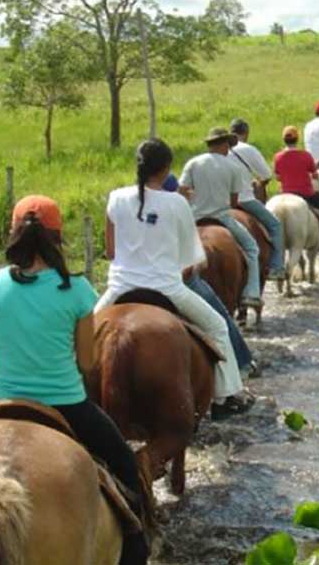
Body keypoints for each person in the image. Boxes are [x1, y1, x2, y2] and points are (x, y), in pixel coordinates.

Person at [0, 195, 149, 565]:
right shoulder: (77, 290)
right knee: (126, 468)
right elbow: (87, 362)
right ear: (58, 238)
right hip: (68, 404)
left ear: (13, 234)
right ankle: (137, 548)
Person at [95, 138, 252, 420]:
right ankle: (225, 396)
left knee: (79, 338)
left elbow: (109, 250)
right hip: (167, 289)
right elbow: (191, 260)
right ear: (167, 169)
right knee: (217, 326)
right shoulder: (177, 202)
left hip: (119, 289)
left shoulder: (116, 197)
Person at [162, 174, 258, 376]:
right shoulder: (178, 207)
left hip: (127, 283)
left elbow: (112, 253)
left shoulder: (121, 201)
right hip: (174, 282)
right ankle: (240, 370)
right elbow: (194, 263)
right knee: (220, 325)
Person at [180, 128, 263, 310]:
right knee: (251, 248)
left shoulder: (193, 163)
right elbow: (233, 202)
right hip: (222, 217)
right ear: (224, 144)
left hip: (194, 219)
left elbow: (183, 191)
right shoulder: (233, 167)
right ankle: (252, 292)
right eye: (228, 145)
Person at [228, 118, 286, 281]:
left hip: (219, 202)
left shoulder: (218, 151)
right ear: (246, 133)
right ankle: (276, 267)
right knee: (275, 225)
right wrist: (258, 182)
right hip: (244, 199)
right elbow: (267, 174)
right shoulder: (248, 149)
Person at [274, 126, 319, 252]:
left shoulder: (278, 157)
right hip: (306, 193)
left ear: (283, 140)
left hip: (286, 193)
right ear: (297, 139)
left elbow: (278, 177)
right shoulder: (306, 155)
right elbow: (315, 174)